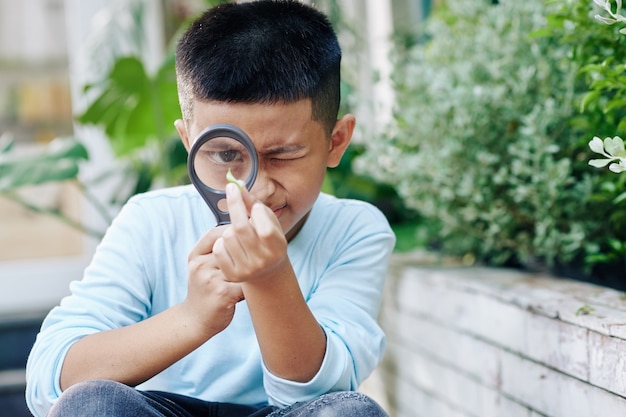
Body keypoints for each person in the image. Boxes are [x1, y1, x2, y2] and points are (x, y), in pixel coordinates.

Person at [25, 1, 395, 416]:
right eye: (224, 154)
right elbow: (50, 379)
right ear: (189, 143)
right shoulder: (151, 220)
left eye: (284, 155)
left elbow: (320, 393)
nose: (254, 189)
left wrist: (270, 280)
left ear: (336, 142)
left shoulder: (355, 230)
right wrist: (193, 317)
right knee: (89, 404)